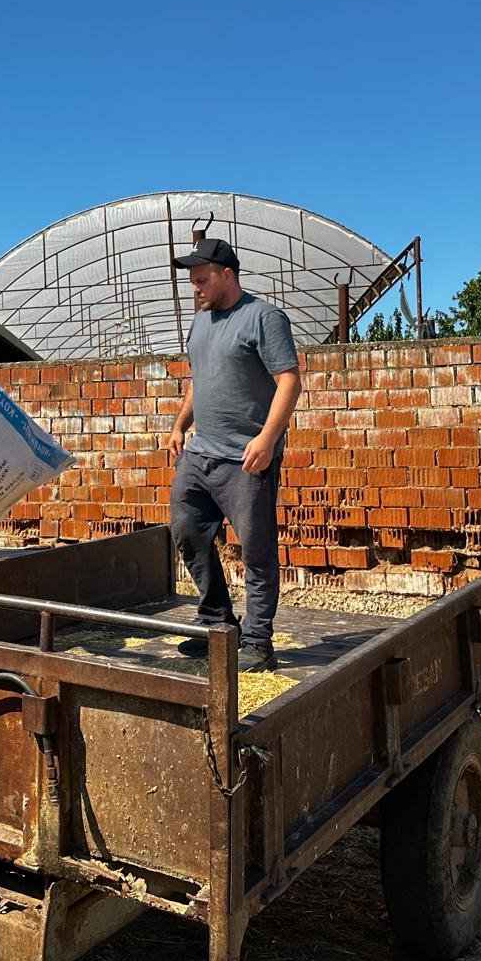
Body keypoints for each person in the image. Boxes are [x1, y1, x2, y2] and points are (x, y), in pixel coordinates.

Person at [166, 237, 303, 672]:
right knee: (186, 531)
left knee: (256, 552)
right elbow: (199, 379)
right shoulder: (200, 323)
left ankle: (259, 640)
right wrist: (179, 424)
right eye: (192, 282)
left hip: (246, 459)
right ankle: (219, 625)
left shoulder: (264, 318)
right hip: (200, 454)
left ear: (228, 275)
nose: (196, 290)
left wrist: (266, 439)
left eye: (202, 281)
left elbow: (289, 381)